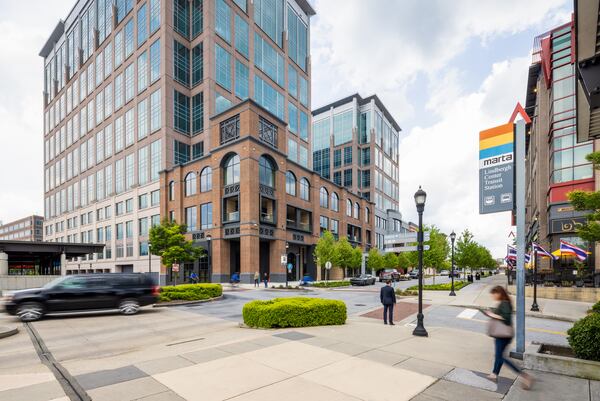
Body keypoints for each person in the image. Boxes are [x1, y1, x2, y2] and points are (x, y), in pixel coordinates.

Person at [484, 286, 533, 389]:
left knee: (501, 357)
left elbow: (506, 318)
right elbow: (502, 313)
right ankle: (494, 374)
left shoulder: (505, 303)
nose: (492, 296)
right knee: (499, 356)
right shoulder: (504, 302)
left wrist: (492, 315)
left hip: (503, 335)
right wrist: (491, 311)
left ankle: (525, 376)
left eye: (494, 294)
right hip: (503, 335)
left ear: (499, 293)